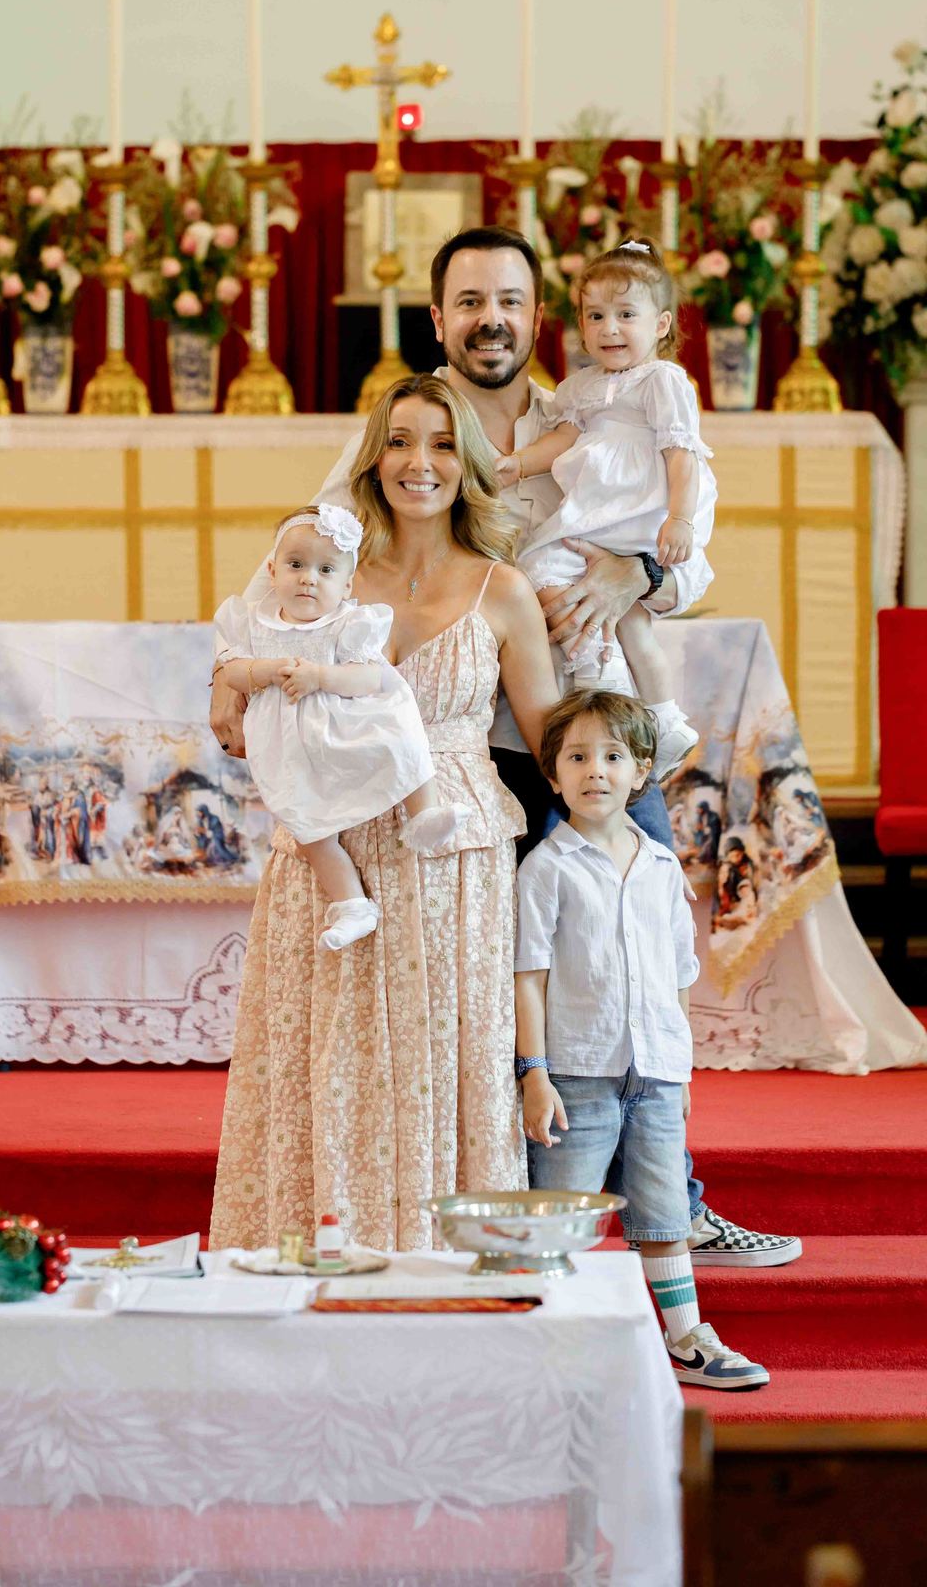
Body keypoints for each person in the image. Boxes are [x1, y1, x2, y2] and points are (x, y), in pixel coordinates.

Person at [209, 224, 802, 1270]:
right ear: (439, 318)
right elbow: (307, 553)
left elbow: (688, 544)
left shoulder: (595, 411)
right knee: (488, 994)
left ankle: (672, 1207)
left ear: (538, 318)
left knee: (620, 962)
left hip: (575, 737)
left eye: (511, 301)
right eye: (471, 302)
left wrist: (641, 577)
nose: (492, 320)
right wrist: (233, 665)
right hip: (458, 750)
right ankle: (509, 1217)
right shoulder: (405, 429)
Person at [209, 375, 558, 1251]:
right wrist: (224, 681)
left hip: (451, 851)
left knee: (445, 1054)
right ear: (372, 459)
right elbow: (246, 646)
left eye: (441, 444)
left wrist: (631, 762)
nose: (419, 462)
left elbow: (550, 738)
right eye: (400, 441)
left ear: (468, 463)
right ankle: (311, 1251)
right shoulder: (320, 572)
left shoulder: (504, 589)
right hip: (331, 847)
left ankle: (446, 1261)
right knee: (328, 1052)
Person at [516, 689, 769, 1390]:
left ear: (641, 773)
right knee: (563, 1213)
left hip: (654, 1073)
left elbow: (678, 975)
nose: (595, 770)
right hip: (578, 1073)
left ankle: (685, 1337)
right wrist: (534, 1073)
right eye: (577, 758)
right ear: (553, 775)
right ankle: (551, 1341)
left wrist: (678, 1070)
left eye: (613, 756)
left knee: (663, 1213)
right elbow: (528, 978)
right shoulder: (546, 869)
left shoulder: (660, 867)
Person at [499, 239, 716, 782]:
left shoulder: (663, 380)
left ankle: (637, 706)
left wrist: (680, 519)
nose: (609, 328)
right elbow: (563, 441)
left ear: (661, 324)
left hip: (634, 519)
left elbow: (681, 454)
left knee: (624, 616)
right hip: (593, 520)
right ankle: (650, 714)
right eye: (595, 315)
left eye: (625, 315)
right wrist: (517, 465)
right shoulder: (580, 388)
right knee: (571, 589)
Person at [214, 501, 465, 952]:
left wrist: (319, 677)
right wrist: (265, 670)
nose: (308, 578)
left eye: (326, 570)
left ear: (347, 584)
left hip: (346, 728)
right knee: (308, 825)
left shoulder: (349, 623)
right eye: (295, 565)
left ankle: (424, 810)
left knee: (398, 734)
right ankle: (351, 904)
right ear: (272, 570)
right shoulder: (251, 623)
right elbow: (231, 671)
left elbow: (369, 678)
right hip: (290, 745)